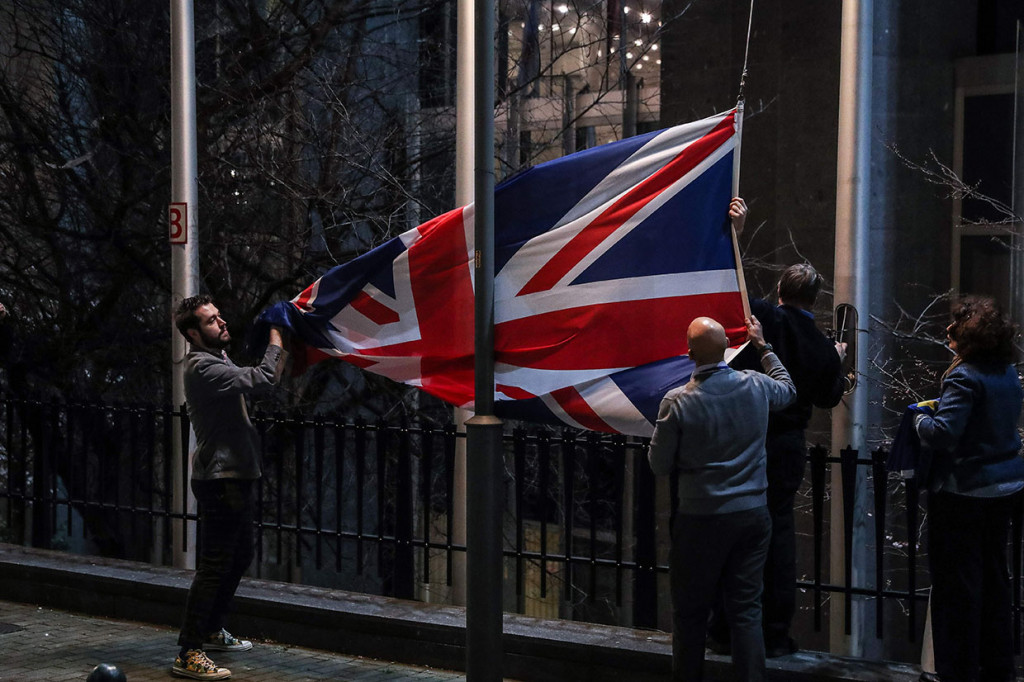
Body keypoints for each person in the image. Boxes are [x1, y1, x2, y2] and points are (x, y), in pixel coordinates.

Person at [708, 198, 847, 658]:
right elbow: (829, 397)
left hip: (748, 437)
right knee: (778, 535)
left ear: (782, 292)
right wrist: (839, 363)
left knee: (736, 529)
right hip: (789, 446)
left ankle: (727, 625)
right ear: (816, 299)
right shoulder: (824, 347)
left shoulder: (764, 318)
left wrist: (737, 233)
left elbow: (734, 286)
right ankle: (774, 630)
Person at [648, 315, 796, 682]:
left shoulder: (677, 402)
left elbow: (659, 464)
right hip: (751, 514)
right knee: (746, 610)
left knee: (690, 612)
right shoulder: (756, 386)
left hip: (700, 517)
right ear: (729, 349)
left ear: (689, 354)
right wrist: (763, 346)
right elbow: (788, 389)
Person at [172, 295, 288, 681]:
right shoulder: (202, 367)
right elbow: (263, 378)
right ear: (193, 333)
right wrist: (276, 336)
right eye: (211, 320)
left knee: (239, 557)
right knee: (215, 564)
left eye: (219, 316)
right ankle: (189, 650)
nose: (221, 323)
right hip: (220, 479)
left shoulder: (219, 360)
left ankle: (210, 628)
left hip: (236, 474)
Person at [914, 296, 1024, 682]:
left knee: (957, 586)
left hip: (966, 492)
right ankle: (998, 667)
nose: (948, 331)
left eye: (955, 326)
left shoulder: (964, 376)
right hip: (1006, 486)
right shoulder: (1008, 371)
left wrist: (921, 419)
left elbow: (943, 434)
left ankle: (958, 669)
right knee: (996, 579)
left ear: (970, 337)